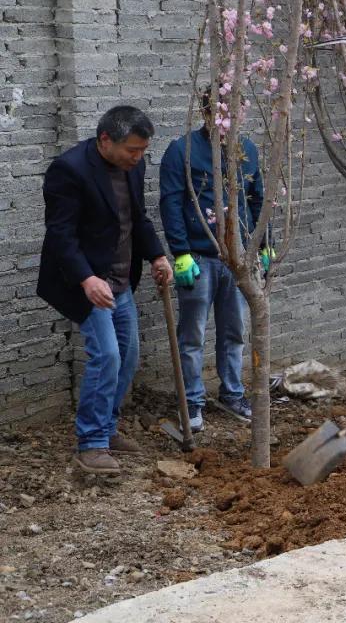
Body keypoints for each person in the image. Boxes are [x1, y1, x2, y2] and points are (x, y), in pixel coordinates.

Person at [37, 105, 173, 474]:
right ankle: (91, 443)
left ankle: (107, 428)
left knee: (127, 356)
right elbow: (60, 235)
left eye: (143, 150)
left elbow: (137, 219)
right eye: (132, 149)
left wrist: (157, 256)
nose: (138, 157)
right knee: (107, 356)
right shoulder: (69, 170)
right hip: (86, 282)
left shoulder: (133, 167)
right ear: (105, 140)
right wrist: (86, 279)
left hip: (119, 280)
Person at [158, 84, 267, 431]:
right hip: (199, 258)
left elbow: (257, 200)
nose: (231, 121)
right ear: (208, 113)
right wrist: (180, 253)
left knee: (234, 331)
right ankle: (192, 400)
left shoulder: (246, 149)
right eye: (223, 114)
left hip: (237, 260)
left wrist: (264, 245)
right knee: (192, 335)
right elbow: (172, 203)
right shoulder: (183, 152)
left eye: (238, 113)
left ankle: (232, 393)